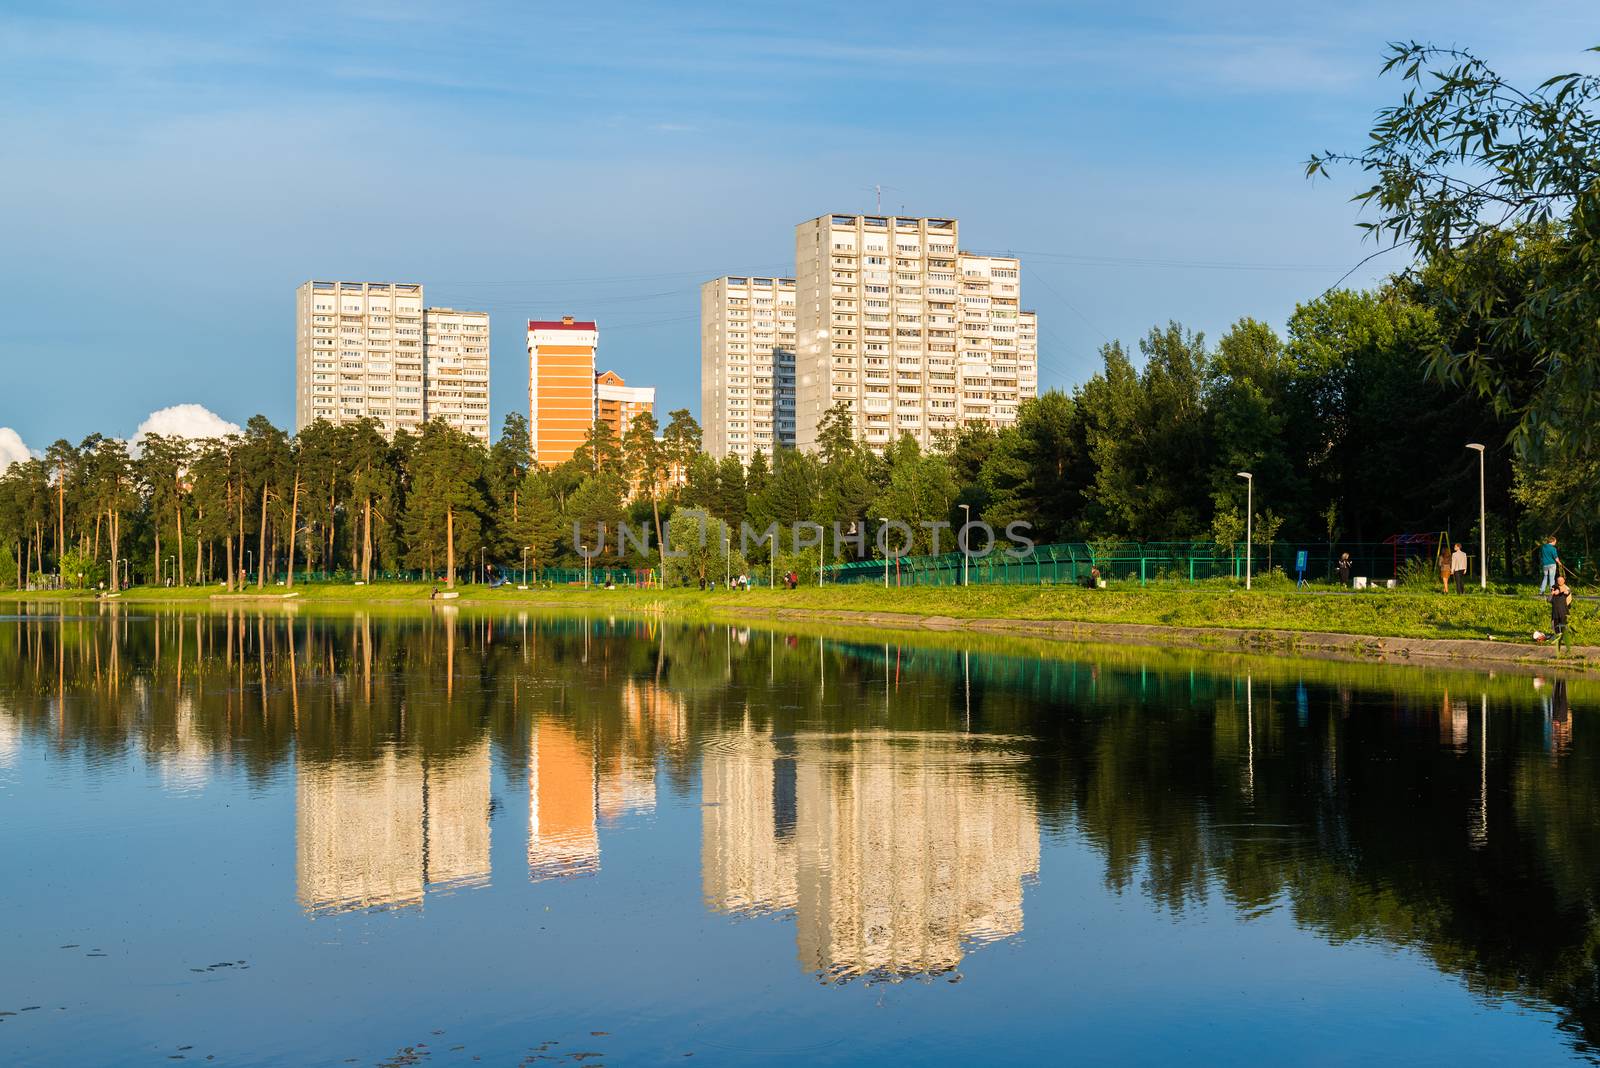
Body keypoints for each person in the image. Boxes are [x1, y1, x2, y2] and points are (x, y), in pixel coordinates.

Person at [1550, 574, 1573, 652]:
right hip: (1555, 610)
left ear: (1564, 581)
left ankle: (1565, 638)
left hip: (1563, 609)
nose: (1560, 581)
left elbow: (1568, 592)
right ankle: (1557, 637)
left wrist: (1562, 591)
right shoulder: (1554, 587)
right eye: (1558, 580)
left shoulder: (1567, 588)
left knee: (1564, 624)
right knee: (1556, 625)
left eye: (1561, 580)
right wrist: (1554, 592)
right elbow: (1553, 591)